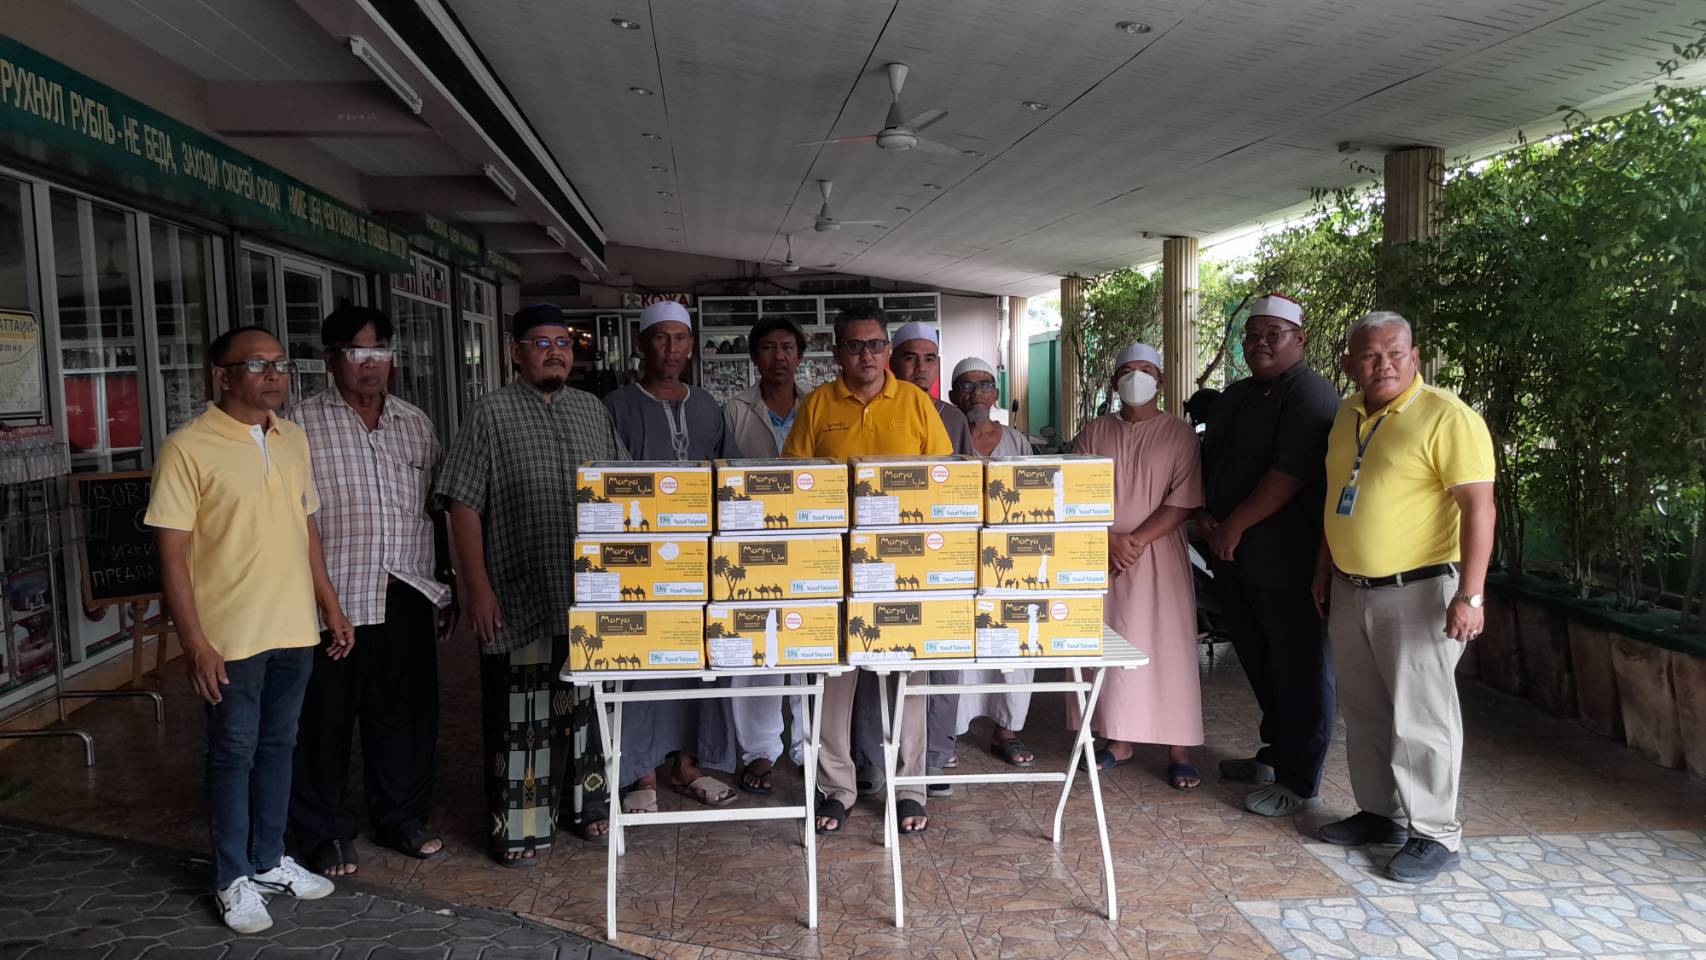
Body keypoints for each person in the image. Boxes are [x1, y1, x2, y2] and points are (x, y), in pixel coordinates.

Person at [147, 326, 352, 933]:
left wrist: (330, 606)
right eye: (258, 365)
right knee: (233, 753)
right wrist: (194, 642)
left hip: (293, 627)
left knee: (279, 746)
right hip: (229, 635)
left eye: (280, 365)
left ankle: (268, 859)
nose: (274, 376)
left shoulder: (293, 439)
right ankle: (232, 877)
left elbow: (306, 527)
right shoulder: (187, 447)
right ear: (222, 376)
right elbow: (172, 556)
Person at [435, 303, 626, 867]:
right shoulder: (489, 413)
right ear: (515, 353)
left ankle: (586, 808)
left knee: (586, 706)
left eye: (562, 343)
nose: (555, 353)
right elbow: (463, 503)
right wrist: (476, 587)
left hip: (588, 592)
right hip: (517, 589)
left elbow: (621, 486)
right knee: (522, 715)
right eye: (541, 343)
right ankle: (520, 826)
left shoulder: (591, 410)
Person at [1312, 310, 1495, 884]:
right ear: (1349, 362)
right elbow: (1338, 497)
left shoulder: (1447, 417)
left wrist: (1471, 595)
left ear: (1415, 356)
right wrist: (1324, 569)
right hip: (1352, 588)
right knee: (1364, 710)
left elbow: (1479, 507)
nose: (1383, 364)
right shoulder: (1348, 413)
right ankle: (1379, 814)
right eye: (1370, 354)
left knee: (1423, 718)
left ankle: (1435, 833)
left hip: (1418, 591)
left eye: (1395, 352)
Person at [287, 307, 452, 877]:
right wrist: (321, 600)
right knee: (324, 722)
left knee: (404, 715)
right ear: (330, 360)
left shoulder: (415, 423)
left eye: (380, 351)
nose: (370, 364)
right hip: (332, 598)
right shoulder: (298, 426)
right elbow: (291, 519)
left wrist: (446, 583)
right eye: (357, 353)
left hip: (407, 589)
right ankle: (323, 832)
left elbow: (434, 508)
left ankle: (401, 818)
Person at [782, 305, 952, 835]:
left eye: (875, 345)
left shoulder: (916, 404)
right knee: (834, 678)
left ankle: (910, 788)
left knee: (908, 675)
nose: (867, 356)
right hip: (834, 562)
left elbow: (944, 479)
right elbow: (795, 482)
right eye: (855, 346)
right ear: (837, 353)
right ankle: (837, 788)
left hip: (906, 561)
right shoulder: (817, 405)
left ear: (887, 350)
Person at [1196, 294, 1341, 817]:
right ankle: (1276, 755)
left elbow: (1290, 474)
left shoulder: (1311, 393)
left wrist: (1233, 525)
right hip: (1234, 557)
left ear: (1299, 339)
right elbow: (1208, 461)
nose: (1260, 343)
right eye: (1252, 334)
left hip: (1287, 561)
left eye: (1272, 334)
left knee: (1300, 668)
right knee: (1260, 661)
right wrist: (1203, 514)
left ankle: (1300, 782)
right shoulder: (1236, 395)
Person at [602, 301, 736, 812]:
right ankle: (642, 772)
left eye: (681, 338)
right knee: (643, 661)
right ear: (641, 344)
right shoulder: (615, 405)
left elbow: (725, 476)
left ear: (692, 346)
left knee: (694, 659)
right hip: (639, 558)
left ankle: (688, 764)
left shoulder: (707, 405)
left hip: (699, 558)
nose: (672, 348)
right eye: (661, 337)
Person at [1068, 343, 1205, 789]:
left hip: (1157, 555)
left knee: (1167, 646)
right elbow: (1074, 491)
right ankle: (1119, 739)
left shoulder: (1180, 434)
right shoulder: (1094, 431)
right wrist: (1109, 539)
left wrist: (1135, 541)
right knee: (1109, 643)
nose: (1136, 377)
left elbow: (1183, 500)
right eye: (1127, 370)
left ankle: (1178, 747)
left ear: (1160, 381)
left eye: (1146, 370)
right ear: (1114, 382)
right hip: (1100, 552)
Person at [882, 321, 972, 797]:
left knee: (942, 659)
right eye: (910, 357)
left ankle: (936, 756)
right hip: (885, 555)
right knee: (882, 660)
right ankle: (875, 758)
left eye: (930, 358)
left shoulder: (952, 418)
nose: (920, 368)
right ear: (891, 361)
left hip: (940, 553)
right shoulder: (878, 407)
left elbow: (966, 485)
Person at [721, 316, 810, 793]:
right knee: (755, 642)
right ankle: (759, 751)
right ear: (755, 357)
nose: (780, 357)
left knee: (809, 642)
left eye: (788, 347)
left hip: (810, 542)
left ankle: (809, 748)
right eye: (770, 348)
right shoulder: (734, 410)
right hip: (750, 542)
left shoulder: (818, 406)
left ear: (800, 356)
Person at [946, 356, 1036, 766]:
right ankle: (949, 730)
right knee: (959, 646)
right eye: (966, 387)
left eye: (984, 385)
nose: (976, 394)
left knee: (1011, 643)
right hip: (958, 559)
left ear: (996, 393)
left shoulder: (1017, 442)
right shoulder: (942, 438)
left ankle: (1007, 730)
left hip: (1009, 561)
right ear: (953, 396)